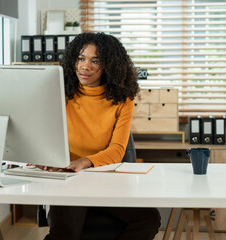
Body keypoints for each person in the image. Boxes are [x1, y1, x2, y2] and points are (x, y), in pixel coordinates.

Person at [42, 32, 161, 240]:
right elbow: (43, 134)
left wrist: (84, 162)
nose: (85, 66)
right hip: (69, 178)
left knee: (149, 219)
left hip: (105, 178)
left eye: (95, 61)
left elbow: (117, 150)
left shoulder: (123, 99)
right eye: (81, 58)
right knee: (65, 233)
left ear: (109, 66)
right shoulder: (60, 92)